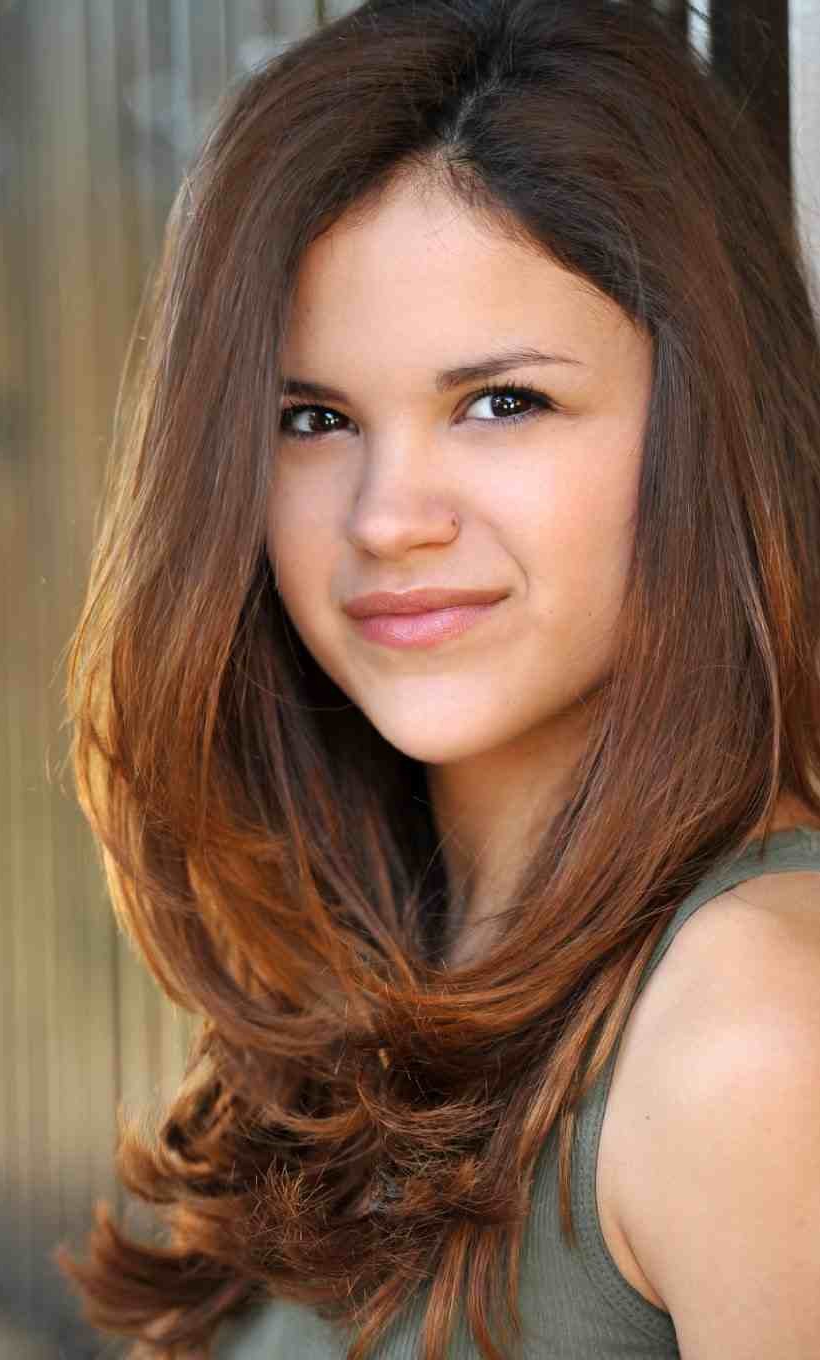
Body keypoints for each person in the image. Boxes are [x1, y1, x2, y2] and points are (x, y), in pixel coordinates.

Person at [55, 1, 820, 1357]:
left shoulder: (756, 1028)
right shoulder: (382, 970)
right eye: (312, 419)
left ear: (708, 428)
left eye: (502, 402)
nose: (386, 518)